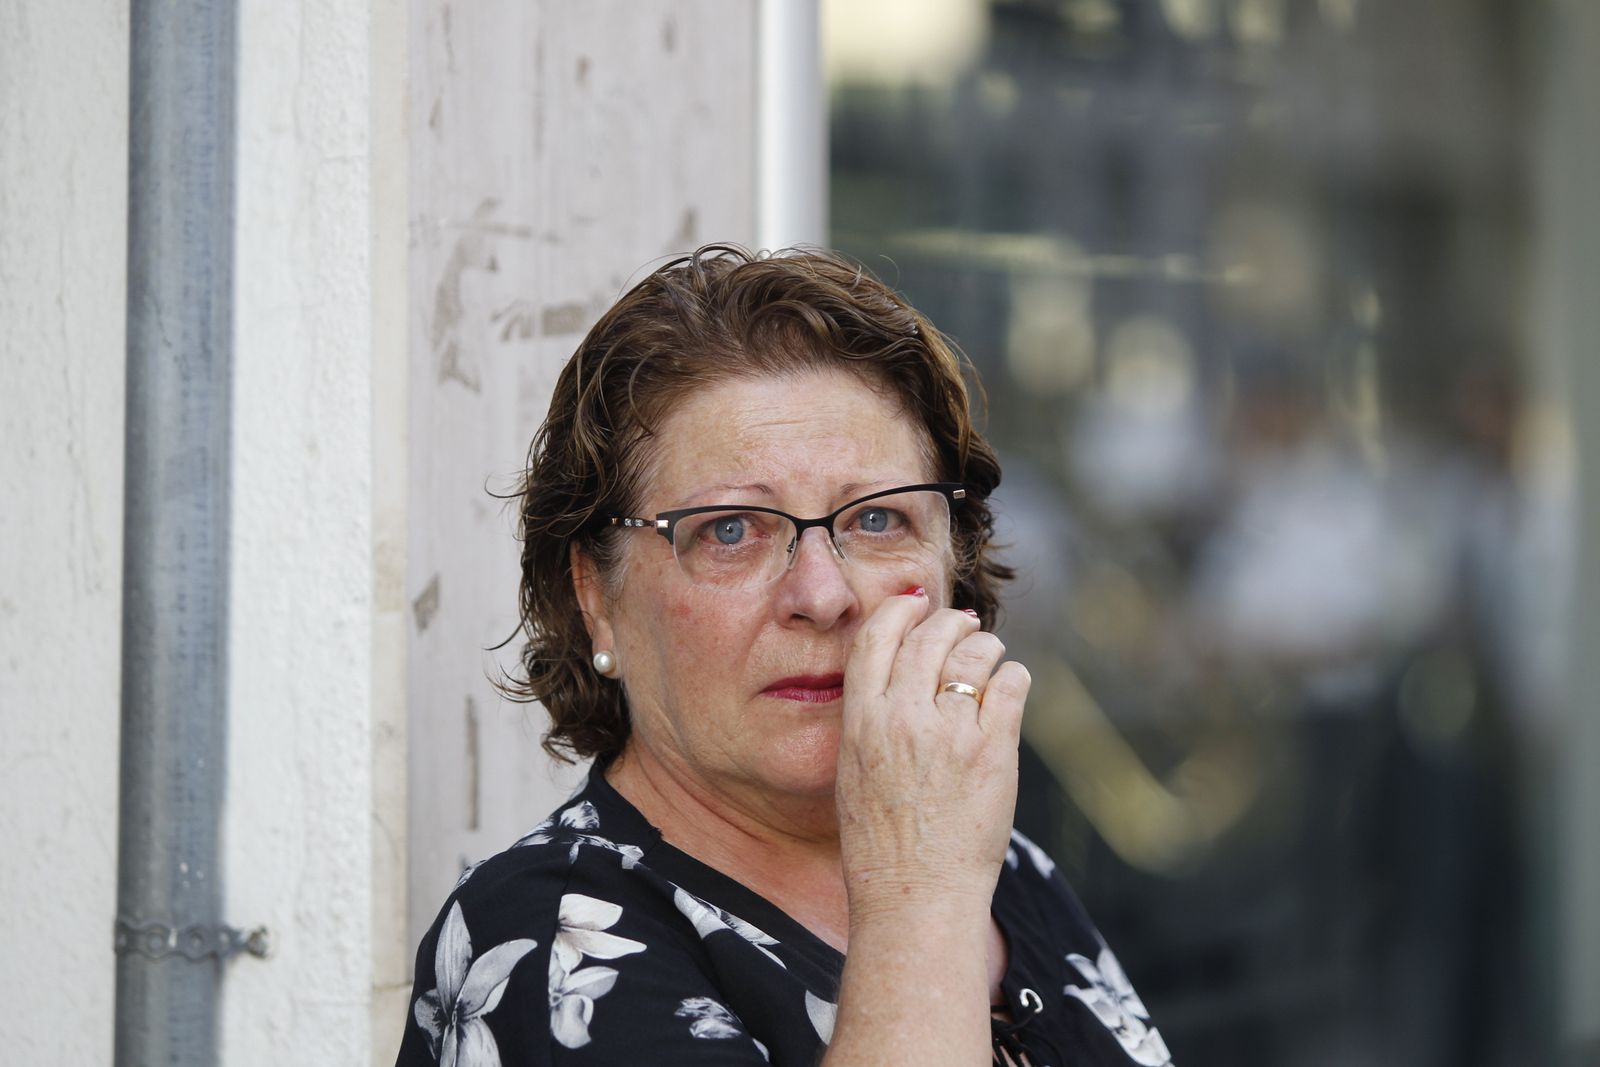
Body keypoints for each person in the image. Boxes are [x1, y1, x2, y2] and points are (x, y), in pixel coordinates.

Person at [395, 245, 1173, 1067]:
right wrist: (919, 896)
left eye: (877, 519)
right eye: (730, 529)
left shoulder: (998, 863)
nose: (823, 594)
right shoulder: (546, 944)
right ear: (597, 597)